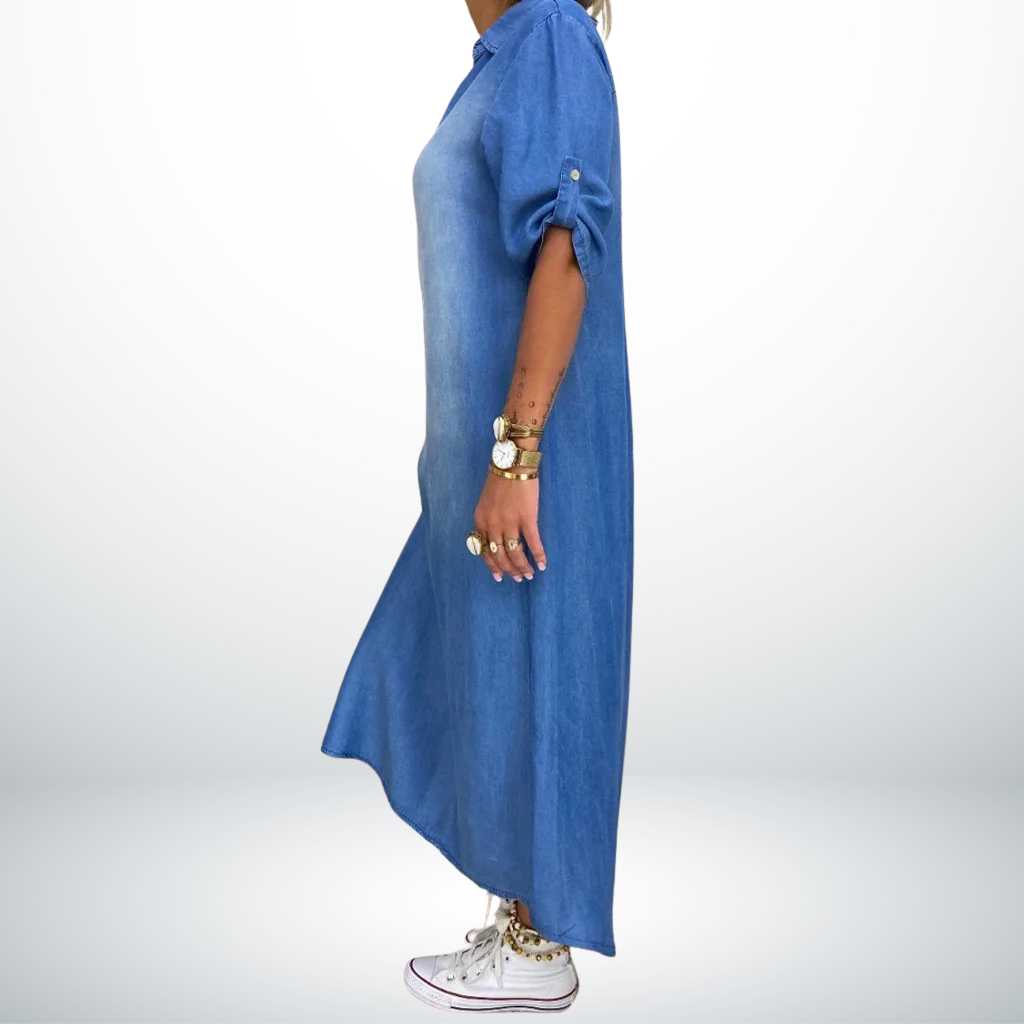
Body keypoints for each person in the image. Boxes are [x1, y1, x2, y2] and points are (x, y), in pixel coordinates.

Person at [321, 0, 631, 1011]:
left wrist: (517, 451)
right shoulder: (499, 60)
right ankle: (524, 915)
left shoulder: (551, 33)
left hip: (532, 458)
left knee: (542, 663)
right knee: (465, 664)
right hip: (484, 460)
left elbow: (570, 241)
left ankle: (541, 945)